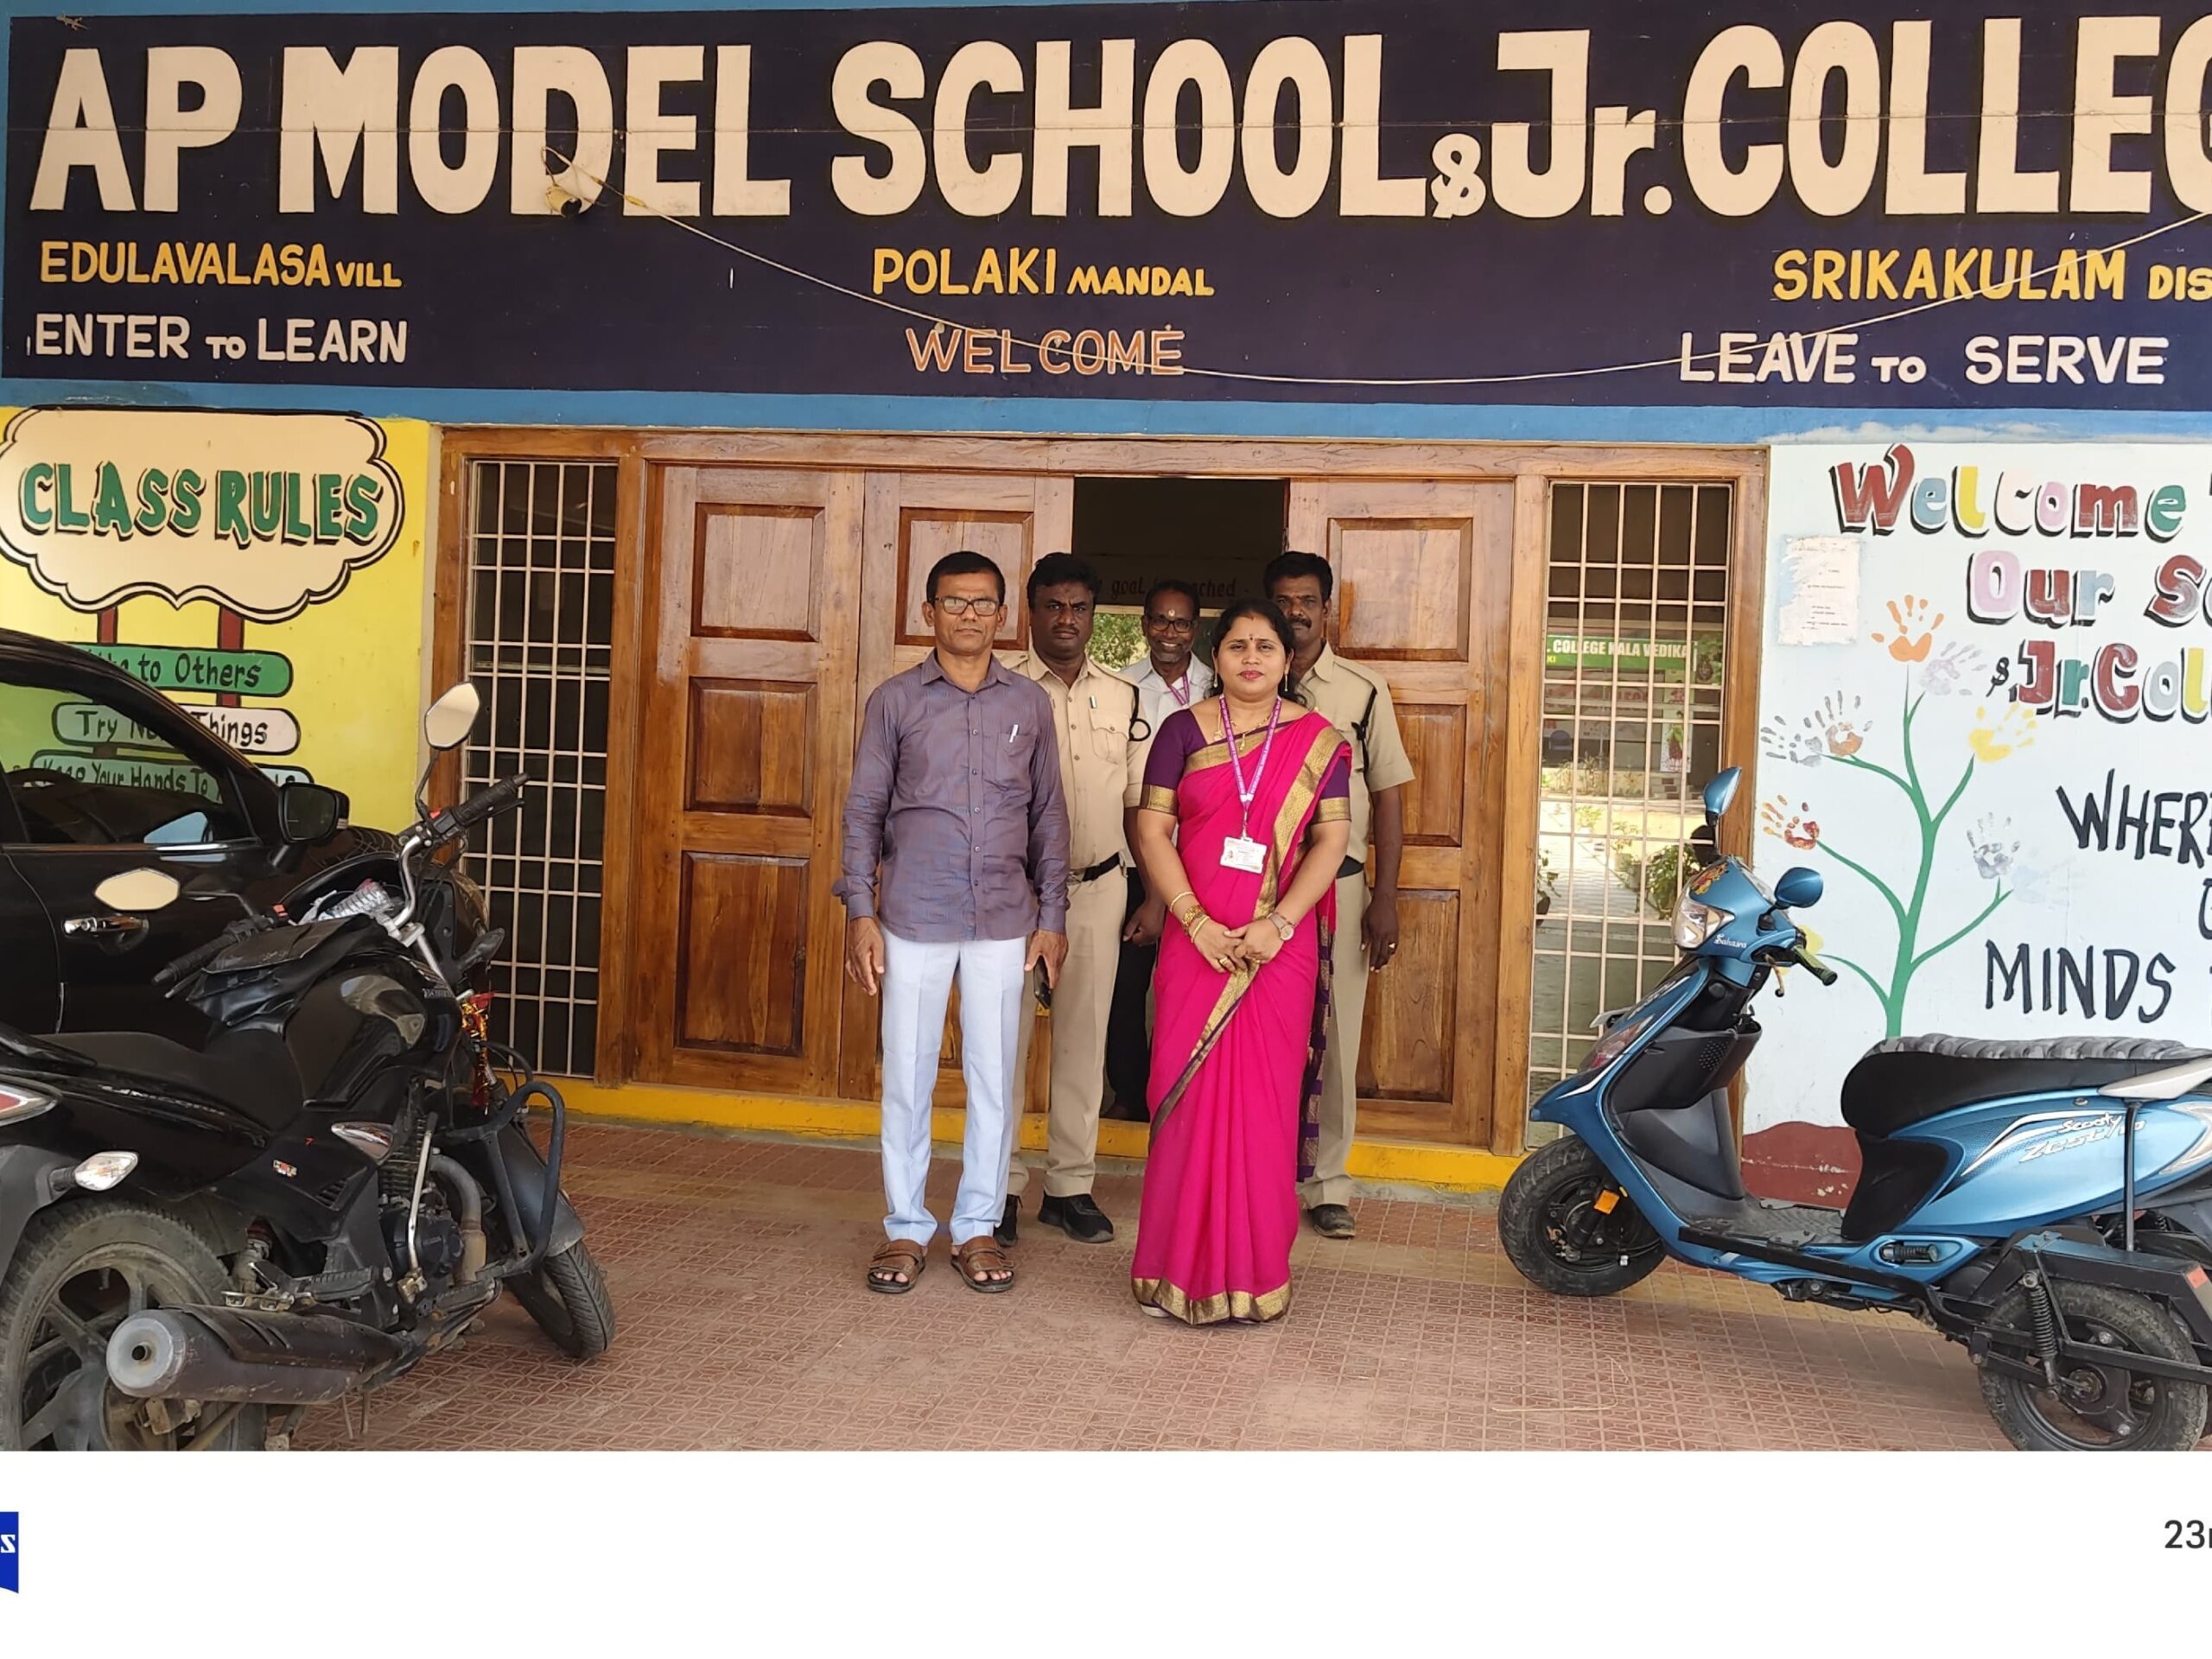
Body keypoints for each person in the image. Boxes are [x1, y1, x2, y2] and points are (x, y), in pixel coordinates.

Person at [836, 550, 1070, 1296]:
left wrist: (1053, 915)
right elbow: (864, 811)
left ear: (1003, 615)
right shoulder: (895, 701)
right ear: (928, 612)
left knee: (993, 1080)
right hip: (914, 913)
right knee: (907, 1076)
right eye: (954, 602)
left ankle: (976, 1226)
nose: (969, 615)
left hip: (1004, 917)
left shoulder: (1029, 704)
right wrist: (861, 912)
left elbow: (1049, 815)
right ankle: (906, 1227)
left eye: (983, 603)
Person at [1127, 599, 1351, 1325]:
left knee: (1262, 1109)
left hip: (1275, 952)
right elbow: (1152, 829)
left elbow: (1331, 840)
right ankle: (1170, 1271)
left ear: (1287, 662)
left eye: (1265, 647)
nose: (1251, 658)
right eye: (1237, 646)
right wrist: (1193, 920)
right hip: (1197, 945)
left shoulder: (1319, 740)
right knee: (1185, 1100)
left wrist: (1279, 924)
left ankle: (1254, 1276)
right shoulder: (1181, 731)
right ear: (1215, 657)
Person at [998, 552, 1150, 1246]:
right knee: (1003, 1043)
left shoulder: (1122, 696)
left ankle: (1069, 1187)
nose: (1066, 619)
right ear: (1031, 613)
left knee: (1085, 1041)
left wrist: (1151, 895)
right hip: (1012, 892)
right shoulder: (997, 688)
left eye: (1079, 607)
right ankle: (997, 1187)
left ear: (1094, 616)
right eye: (1053, 606)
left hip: (1098, 887)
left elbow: (1139, 806)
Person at [1264, 550, 1416, 1243]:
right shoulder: (1243, 677)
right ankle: (1263, 1175)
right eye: (1283, 601)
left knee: (1335, 1038)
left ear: (1327, 609)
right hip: (1259, 892)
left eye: (1306, 601)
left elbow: (1388, 796)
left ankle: (1328, 1185)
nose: (1294, 613)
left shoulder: (1362, 690)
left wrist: (1385, 897)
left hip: (1342, 888)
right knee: (1264, 1036)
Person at [1105, 580, 1213, 1120]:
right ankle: (1131, 1097)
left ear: (1196, 629)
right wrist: (1152, 893)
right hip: (1134, 866)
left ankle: (1186, 1100)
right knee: (1124, 992)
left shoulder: (1220, 688)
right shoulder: (1120, 688)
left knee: (1191, 992)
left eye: (1182, 622)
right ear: (1144, 623)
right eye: (1160, 620)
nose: (1170, 632)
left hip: (1204, 871)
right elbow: (1126, 792)